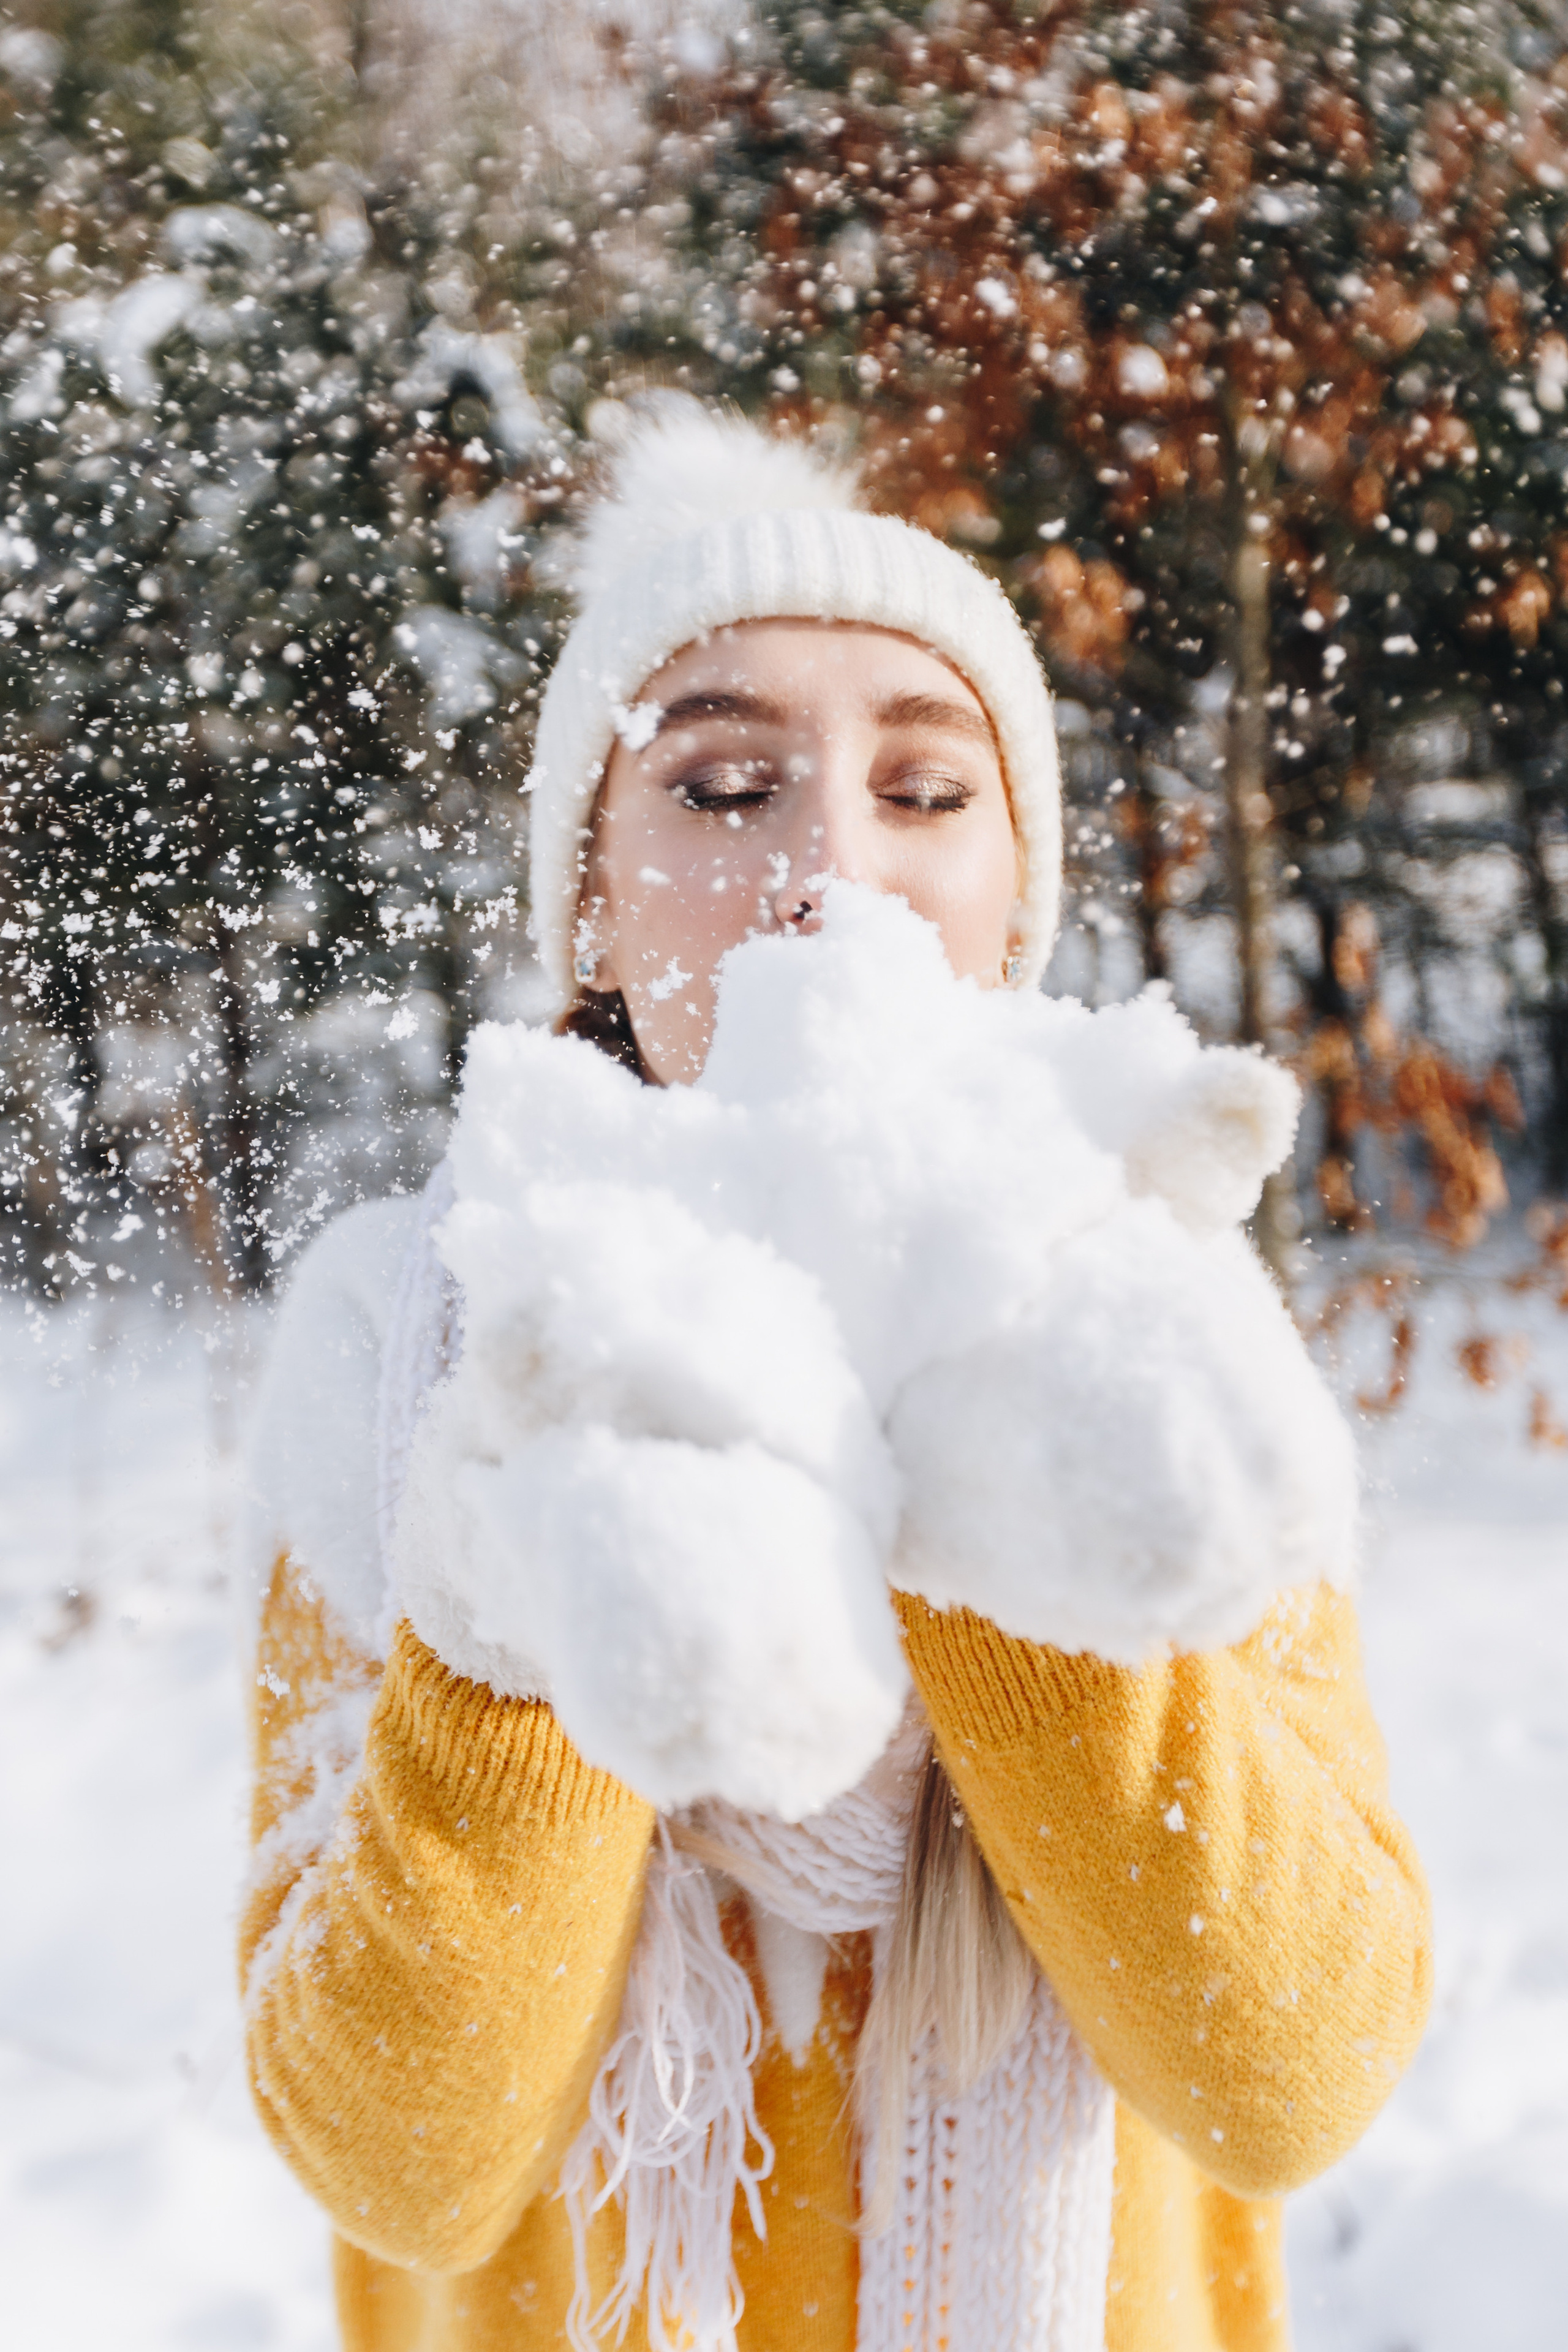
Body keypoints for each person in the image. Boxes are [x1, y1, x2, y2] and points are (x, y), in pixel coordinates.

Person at [240, 403, 1431, 2352]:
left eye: (926, 791)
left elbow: (1284, 2078)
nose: (830, 869)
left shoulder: (1153, 1343)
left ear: (1013, 906)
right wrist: (539, 1579)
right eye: (722, 790)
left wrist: (997, 1484)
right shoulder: (411, 1352)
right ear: (596, 912)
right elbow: (404, 2159)